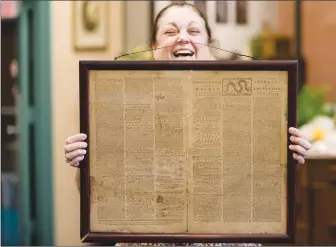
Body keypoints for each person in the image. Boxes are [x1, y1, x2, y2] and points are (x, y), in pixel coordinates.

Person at [64, 3, 312, 246]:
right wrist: (83, 163)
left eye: (193, 32)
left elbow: (266, 186)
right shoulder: (123, 105)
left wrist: (289, 156)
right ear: (154, 47)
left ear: (210, 46)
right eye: (170, 32)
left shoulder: (248, 104)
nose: (183, 38)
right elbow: (100, 192)